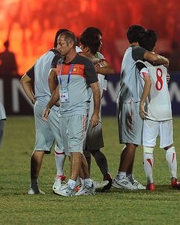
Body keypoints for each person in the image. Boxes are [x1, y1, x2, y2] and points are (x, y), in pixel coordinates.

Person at [43, 30, 100, 197]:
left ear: (71, 44)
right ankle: (88, 184)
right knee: (72, 150)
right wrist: (49, 105)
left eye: (61, 44)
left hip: (79, 111)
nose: (58, 47)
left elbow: (96, 89)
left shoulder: (85, 63)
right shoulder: (59, 63)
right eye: (58, 44)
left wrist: (95, 113)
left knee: (75, 147)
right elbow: (61, 87)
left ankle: (71, 185)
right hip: (64, 111)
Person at [114, 25, 169, 190]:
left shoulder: (132, 53)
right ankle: (121, 177)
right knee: (132, 142)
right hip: (131, 101)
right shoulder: (136, 49)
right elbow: (153, 58)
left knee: (132, 141)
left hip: (128, 100)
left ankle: (128, 177)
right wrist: (165, 60)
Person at [20, 29, 67, 195]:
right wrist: (55, 99)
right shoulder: (58, 58)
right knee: (64, 143)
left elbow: (24, 80)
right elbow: (53, 77)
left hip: (39, 104)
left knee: (40, 146)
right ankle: (61, 182)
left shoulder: (41, 58)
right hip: (52, 104)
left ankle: (33, 186)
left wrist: (33, 98)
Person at [137, 29, 180, 191]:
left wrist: (141, 103)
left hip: (151, 109)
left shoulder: (142, 63)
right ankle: (174, 178)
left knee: (148, 148)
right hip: (166, 109)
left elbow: (148, 83)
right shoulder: (162, 63)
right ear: (155, 44)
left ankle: (150, 182)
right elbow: (164, 76)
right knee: (169, 145)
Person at [78, 27, 115, 191]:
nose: (101, 43)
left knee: (87, 148)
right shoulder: (77, 56)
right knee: (88, 149)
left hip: (91, 110)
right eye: (99, 40)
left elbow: (110, 69)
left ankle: (99, 177)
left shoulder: (98, 58)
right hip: (87, 109)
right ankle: (88, 179)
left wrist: (92, 69)